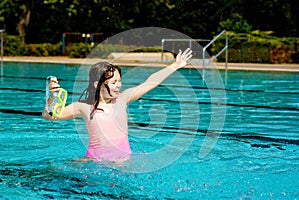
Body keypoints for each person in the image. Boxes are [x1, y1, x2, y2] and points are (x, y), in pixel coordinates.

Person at [42, 48, 193, 162]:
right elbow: (49, 116)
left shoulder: (122, 99)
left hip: (122, 162)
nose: (118, 85)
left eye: (119, 81)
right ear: (97, 84)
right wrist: (53, 96)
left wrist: (175, 65)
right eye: (113, 82)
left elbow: (151, 82)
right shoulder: (84, 107)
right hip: (94, 163)